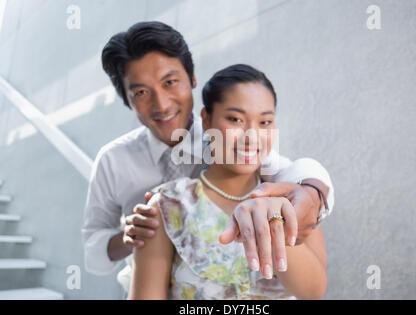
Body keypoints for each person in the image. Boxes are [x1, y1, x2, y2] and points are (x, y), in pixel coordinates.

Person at [82, 21, 334, 295]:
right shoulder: (114, 161)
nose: (162, 104)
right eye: (141, 92)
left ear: (191, 79)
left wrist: (312, 192)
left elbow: (294, 170)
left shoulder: (230, 142)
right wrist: (129, 236)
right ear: (127, 100)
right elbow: (93, 245)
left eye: (170, 82)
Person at [129, 64, 327, 300]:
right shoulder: (169, 207)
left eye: (264, 122)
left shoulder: (292, 196)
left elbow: (314, 293)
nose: (251, 137)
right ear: (207, 119)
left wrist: (277, 223)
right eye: (235, 119)